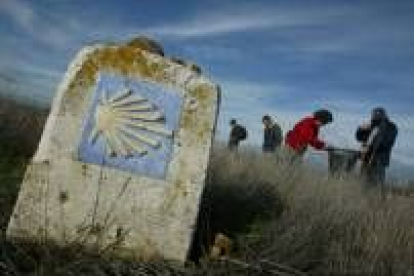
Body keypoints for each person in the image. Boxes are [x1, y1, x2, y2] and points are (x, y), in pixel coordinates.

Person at [355, 107, 398, 186]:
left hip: (379, 159)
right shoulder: (371, 125)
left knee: (376, 183)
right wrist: (360, 129)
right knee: (362, 181)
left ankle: (375, 197)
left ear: (383, 115)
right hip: (366, 158)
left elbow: (387, 143)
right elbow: (359, 138)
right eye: (373, 115)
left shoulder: (391, 126)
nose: (374, 116)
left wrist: (370, 145)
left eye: (377, 115)